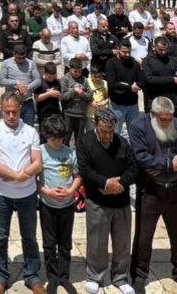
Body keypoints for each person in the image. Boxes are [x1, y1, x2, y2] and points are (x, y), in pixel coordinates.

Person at [128, 97, 177, 291]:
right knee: (144, 236)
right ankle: (139, 275)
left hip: (176, 189)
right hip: (151, 190)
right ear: (153, 114)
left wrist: (167, 166)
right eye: (163, 119)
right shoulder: (138, 125)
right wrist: (169, 165)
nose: (167, 122)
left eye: (170, 118)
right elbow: (141, 157)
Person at [0, 94, 42, 294]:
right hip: (2, 193)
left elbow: (37, 162)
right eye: (7, 112)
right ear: (1, 110)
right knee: (0, 237)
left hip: (27, 194)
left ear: (20, 110)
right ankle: (0, 276)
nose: (11, 115)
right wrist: (18, 175)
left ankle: (32, 275)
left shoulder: (30, 131)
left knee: (29, 237)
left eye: (15, 112)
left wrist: (20, 175)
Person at [77, 108, 135, 294]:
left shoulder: (122, 142)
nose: (108, 135)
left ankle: (120, 277)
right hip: (97, 201)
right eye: (104, 131)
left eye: (111, 131)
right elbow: (85, 170)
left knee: (122, 242)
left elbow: (133, 168)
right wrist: (104, 183)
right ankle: (95, 276)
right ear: (95, 125)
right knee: (97, 241)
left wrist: (119, 183)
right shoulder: (85, 141)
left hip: (121, 200)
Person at [36, 116, 78, 294]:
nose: (57, 141)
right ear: (46, 136)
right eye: (54, 138)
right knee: (49, 244)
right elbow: (34, 180)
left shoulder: (69, 152)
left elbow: (78, 177)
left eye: (60, 138)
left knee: (65, 243)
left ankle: (64, 277)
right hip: (48, 205)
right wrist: (46, 191)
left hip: (67, 205)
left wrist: (70, 191)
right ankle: (52, 277)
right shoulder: (39, 152)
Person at [103, 43, 140, 136]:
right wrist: (129, 87)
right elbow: (112, 83)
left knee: (135, 133)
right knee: (115, 133)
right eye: (124, 52)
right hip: (117, 105)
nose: (127, 54)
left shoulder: (134, 63)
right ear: (118, 49)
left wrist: (138, 85)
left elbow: (142, 80)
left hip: (133, 104)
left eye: (129, 52)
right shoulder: (111, 63)